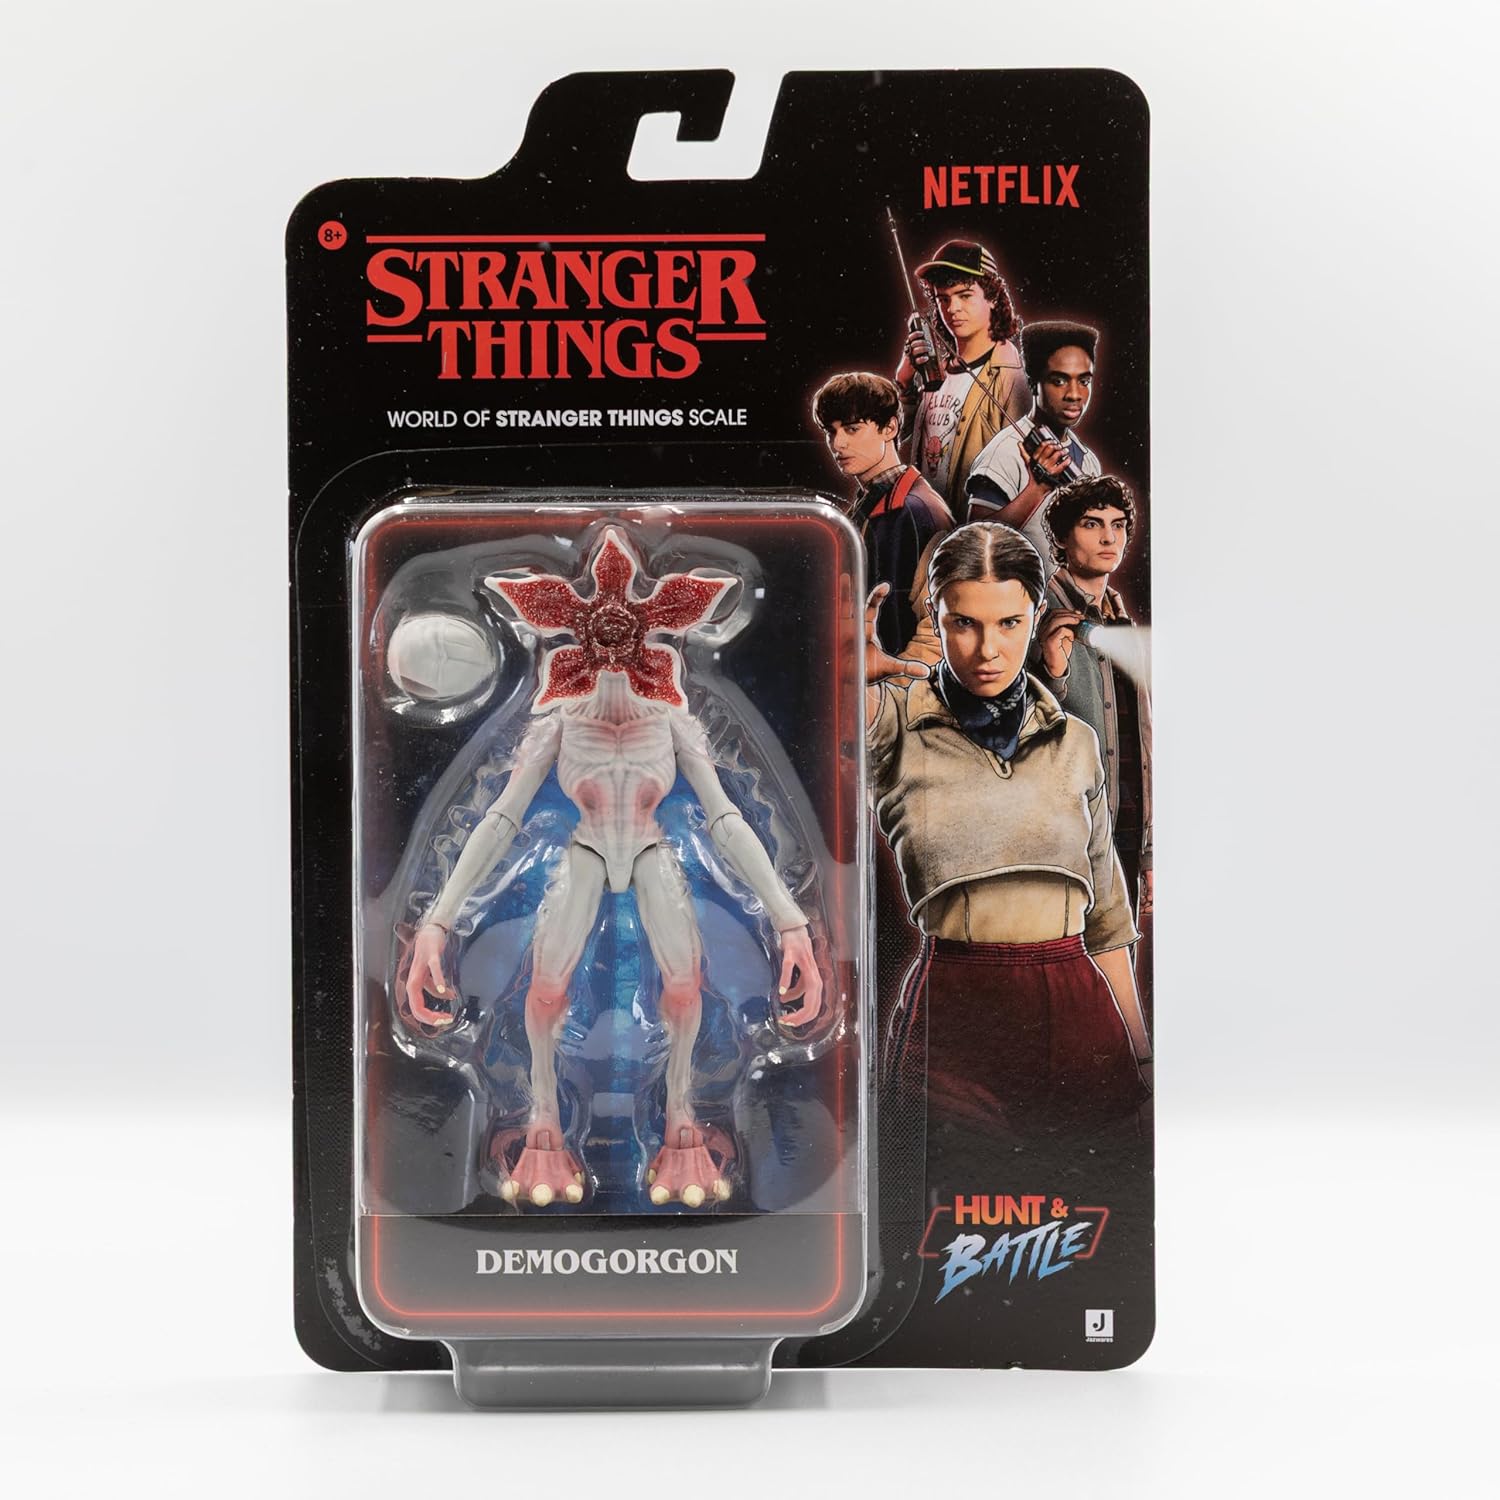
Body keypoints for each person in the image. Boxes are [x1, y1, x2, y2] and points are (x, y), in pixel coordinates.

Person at [864, 522, 1151, 1152]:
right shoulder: (894, 721)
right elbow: (798, 735)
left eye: (1009, 623)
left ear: (1036, 614)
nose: (987, 649)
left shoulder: (1075, 742)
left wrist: (1141, 1056)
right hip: (954, 1010)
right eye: (964, 623)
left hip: (1079, 1005)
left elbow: (1107, 917)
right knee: (941, 1198)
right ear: (935, 618)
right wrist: (834, 673)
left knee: (1099, 1196)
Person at [1031, 475, 1152, 910]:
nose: (1108, 538)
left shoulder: (1121, 622)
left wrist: (1148, 853)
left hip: (1123, 834)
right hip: (1061, 842)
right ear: (1062, 537)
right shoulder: (1030, 615)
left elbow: (1142, 741)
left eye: (1118, 525)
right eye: (1092, 524)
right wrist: (1052, 673)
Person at [812, 371, 953, 652]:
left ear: (890, 428)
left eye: (852, 429)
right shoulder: (875, 501)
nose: (838, 444)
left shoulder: (912, 511)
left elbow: (925, 625)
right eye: (831, 432)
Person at [894, 240, 1029, 523]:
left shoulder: (1012, 376)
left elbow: (1022, 474)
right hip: (927, 531)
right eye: (943, 299)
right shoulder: (935, 373)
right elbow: (893, 439)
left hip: (976, 535)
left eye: (965, 295)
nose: (953, 308)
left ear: (993, 297)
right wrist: (904, 382)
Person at [965, 320, 1103, 571]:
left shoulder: (1089, 460)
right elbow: (972, 545)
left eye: (1084, 381)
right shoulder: (1004, 453)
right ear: (1032, 382)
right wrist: (1036, 489)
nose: (1074, 394)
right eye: (1059, 381)